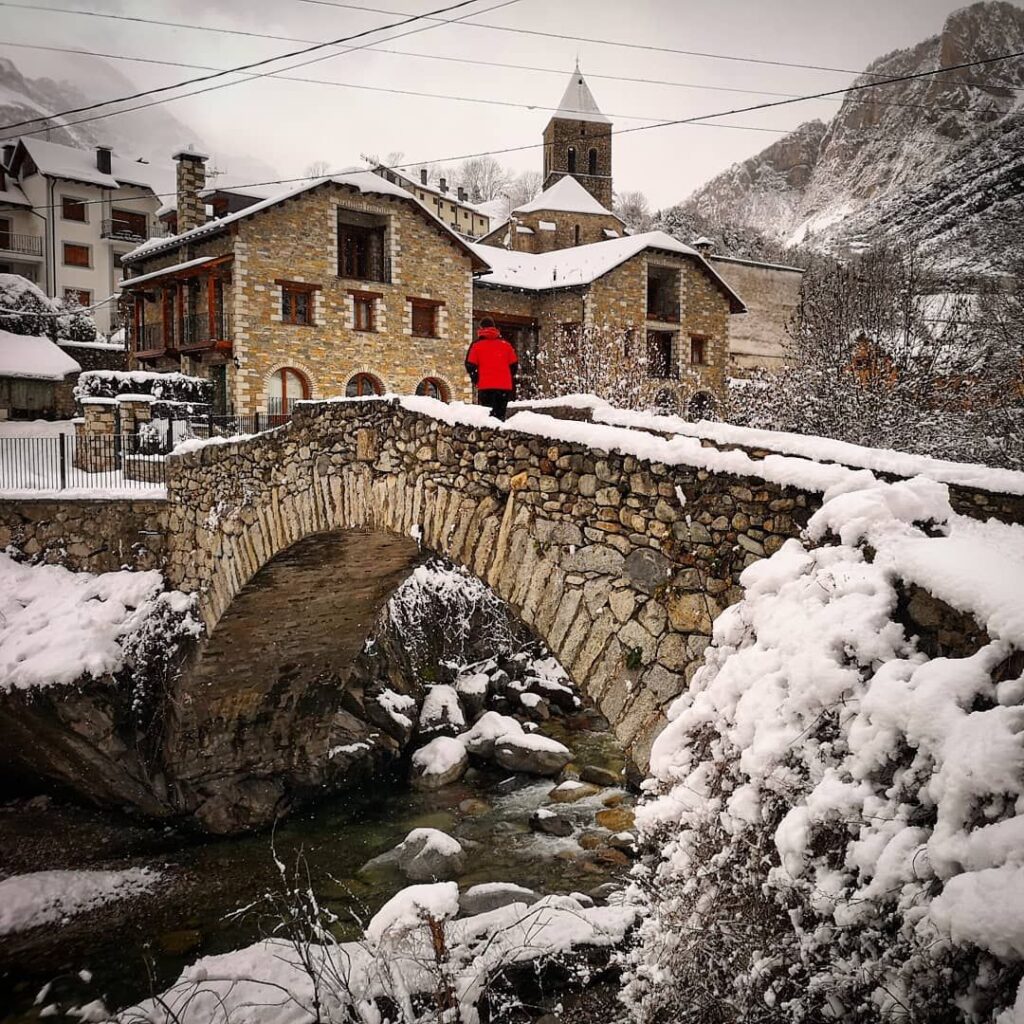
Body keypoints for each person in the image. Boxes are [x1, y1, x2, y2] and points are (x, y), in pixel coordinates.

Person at [465, 317, 518, 421]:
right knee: (500, 416)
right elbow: (514, 365)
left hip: (486, 386)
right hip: (504, 387)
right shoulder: (506, 345)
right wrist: (506, 377)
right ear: (494, 328)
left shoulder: (476, 346)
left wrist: (476, 380)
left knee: (487, 417)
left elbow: (470, 365)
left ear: (481, 329)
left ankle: (489, 436)